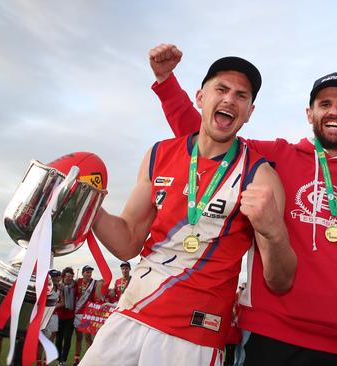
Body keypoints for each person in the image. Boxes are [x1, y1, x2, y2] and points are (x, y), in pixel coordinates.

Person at [149, 43, 337, 365]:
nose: (334, 111)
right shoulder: (275, 158)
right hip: (271, 334)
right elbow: (209, 136)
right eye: (324, 104)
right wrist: (167, 83)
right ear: (310, 114)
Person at [81, 55, 296, 366]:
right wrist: (88, 205)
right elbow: (127, 242)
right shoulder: (159, 153)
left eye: (241, 96)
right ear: (200, 97)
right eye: (221, 89)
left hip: (193, 336)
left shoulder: (260, 176)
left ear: (250, 112)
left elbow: (281, 281)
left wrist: (274, 232)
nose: (229, 100)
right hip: (130, 312)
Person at [74, 265, 98, 365]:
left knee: (87, 338)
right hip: (77, 314)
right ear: (83, 273)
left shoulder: (94, 283)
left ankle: (88, 361)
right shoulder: (77, 282)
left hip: (87, 314)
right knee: (78, 338)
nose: (89, 274)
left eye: (90, 272)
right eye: (87, 272)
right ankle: (76, 360)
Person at [56, 266, 75, 366]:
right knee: (59, 338)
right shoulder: (58, 287)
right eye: (68, 276)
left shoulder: (74, 286)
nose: (70, 278)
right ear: (63, 277)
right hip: (59, 316)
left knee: (67, 338)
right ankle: (58, 358)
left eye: (71, 277)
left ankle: (63, 360)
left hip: (70, 316)